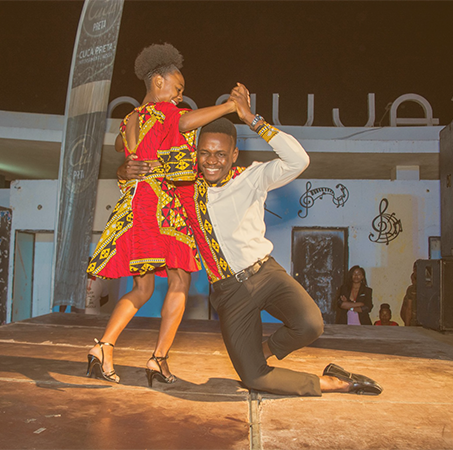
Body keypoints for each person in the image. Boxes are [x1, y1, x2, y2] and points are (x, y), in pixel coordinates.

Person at [118, 84, 382, 396]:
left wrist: (251, 118)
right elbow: (137, 174)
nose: (211, 161)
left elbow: (298, 160)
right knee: (254, 378)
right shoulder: (183, 186)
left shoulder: (252, 177)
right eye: (204, 153)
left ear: (233, 155)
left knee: (311, 325)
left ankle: (262, 350)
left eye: (219, 154)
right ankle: (335, 382)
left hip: (266, 274)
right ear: (196, 154)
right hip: (230, 293)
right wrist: (125, 169)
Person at [86, 43, 238, 385]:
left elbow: (118, 148)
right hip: (160, 206)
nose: (180, 97)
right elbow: (185, 122)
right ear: (158, 81)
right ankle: (158, 359)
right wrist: (228, 106)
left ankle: (103, 346)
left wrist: (128, 167)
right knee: (180, 280)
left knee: (142, 287)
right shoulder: (165, 113)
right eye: (178, 88)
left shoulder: (131, 119)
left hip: (135, 206)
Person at [400, 262, 418, 326]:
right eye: (415, 270)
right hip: (414, 324)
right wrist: (407, 327)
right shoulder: (412, 289)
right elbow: (408, 309)